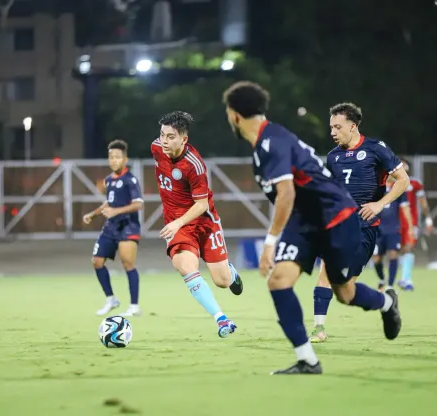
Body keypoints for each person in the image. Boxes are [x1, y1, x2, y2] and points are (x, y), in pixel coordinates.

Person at [222, 81, 402, 374]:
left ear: (234, 115)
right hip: (306, 221)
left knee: (345, 293)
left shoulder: (272, 142)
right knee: (279, 280)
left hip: (336, 218)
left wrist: (270, 243)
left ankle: (385, 303)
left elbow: (287, 194)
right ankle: (308, 360)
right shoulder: (264, 144)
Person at [309, 103, 409, 343]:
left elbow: (402, 180)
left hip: (364, 229)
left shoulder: (376, 149)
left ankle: (386, 302)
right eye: (331, 127)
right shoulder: (333, 157)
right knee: (325, 272)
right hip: (338, 226)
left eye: (338, 127)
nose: (332, 132)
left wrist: (379, 204)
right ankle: (318, 329)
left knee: (344, 291)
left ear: (352, 126)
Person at [152, 111, 243, 338]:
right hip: (179, 227)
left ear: (184, 139)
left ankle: (230, 273)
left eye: (170, 136)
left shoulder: (195, 165)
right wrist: (175, 224)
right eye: (162, 135)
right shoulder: (156, 148)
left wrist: (178, 222)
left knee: (221, 281)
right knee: (185, 267)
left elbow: (201, 204)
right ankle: (221, 320)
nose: (164, 141)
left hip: (204, 222)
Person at [83, 140, 143, 317]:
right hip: (110, 228)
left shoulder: (130, 180)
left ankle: (134, 306)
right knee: (97, 261)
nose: (114, 160)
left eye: (117, 157)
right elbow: (109, 202)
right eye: (111, 157)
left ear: (125, 159)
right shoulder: (109, 180)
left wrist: (116, 211)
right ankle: (111, 299)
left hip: (128, 227)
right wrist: (93, 214)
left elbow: (138, 204)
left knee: (128, 264)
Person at [398, 159, 434, 291]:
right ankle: (399, 278)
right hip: (393, 223)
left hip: (411, 222)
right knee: (399, 250)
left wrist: (428, 219)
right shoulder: (388, 182)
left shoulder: (414, 183)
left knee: (409, 247)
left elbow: (423, 202)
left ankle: (406, 279)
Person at [374, 177, 413, 290]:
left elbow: (405, 209)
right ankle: (382, 279)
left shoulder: (399, 189)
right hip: (378, 230)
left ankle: (390, 285)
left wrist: (410, 227)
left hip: (393, 229)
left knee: (393, 254)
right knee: (376, 258)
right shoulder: (376, 188)